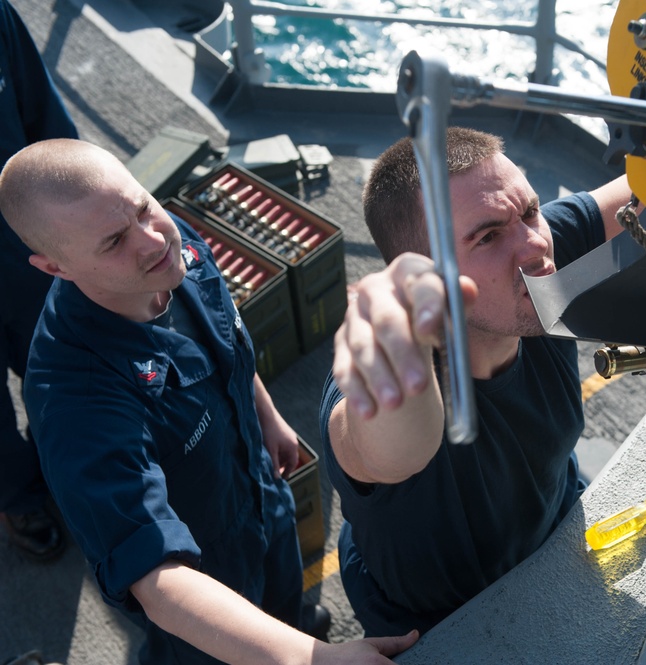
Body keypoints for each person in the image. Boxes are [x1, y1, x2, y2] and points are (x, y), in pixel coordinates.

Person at [0, 139, 418, 665]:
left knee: (285, 601)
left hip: (259, 494)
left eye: (143, 207)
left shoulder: (174, 250)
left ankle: (290, 623)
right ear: (55, 269)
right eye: (113, 241)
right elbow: (160, 583)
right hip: (203, 585)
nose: (152, 239)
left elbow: (226, 340)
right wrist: (312, 660)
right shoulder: (76, 398)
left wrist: (266, 416)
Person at [322, 126, 638, 637]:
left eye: (532, 211)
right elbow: (391, 449)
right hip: (446, 627)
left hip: (555, 534)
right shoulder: (372, 392)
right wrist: (399, 352)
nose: (535, 245)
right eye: (487, 236)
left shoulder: (530, 260)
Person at [0, 0, 78, 561]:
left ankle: (64, 469)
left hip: (23, 254)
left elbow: (47, 125)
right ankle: (17, 494)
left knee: (59, 367)